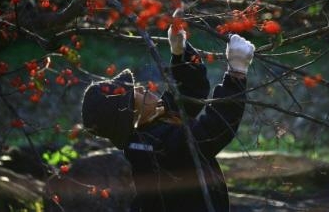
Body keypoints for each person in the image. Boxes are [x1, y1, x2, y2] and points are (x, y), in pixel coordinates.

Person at [81, 17, 255, 212]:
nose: (140, 88)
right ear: (132, 115)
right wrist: (236, 75)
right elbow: (212, 131)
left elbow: (190, 91)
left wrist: (180, 53)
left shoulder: (152, 129)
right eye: (134, 93)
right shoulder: (157, 148)